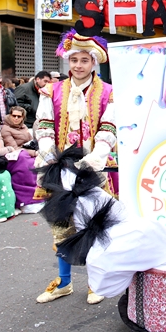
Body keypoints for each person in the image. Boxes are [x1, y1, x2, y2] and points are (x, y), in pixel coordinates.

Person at [33, 31, 116, 305]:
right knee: (61, 228)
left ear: (94, 63)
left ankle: (96, 283)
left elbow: (109, 126)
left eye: (84, 60)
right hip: (59, 168)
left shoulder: (107, 92)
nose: (78, 65)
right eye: (74, 60)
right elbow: (44, 124)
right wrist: (47, 153)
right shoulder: (52, 91)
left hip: (93, 169)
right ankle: (64, 283)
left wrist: (95, 157)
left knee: (95, 228)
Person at [0, 106, 42, 214]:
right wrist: (33, 153)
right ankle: (26, 200)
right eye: (14, 116)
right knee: (27, 163)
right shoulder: (6, 128)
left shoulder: (23, 127)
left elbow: (30, 141)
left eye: (19, 116)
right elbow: (13, 147)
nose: (16, 118)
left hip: (26, 152)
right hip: (13, 156)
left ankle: (40, 196)